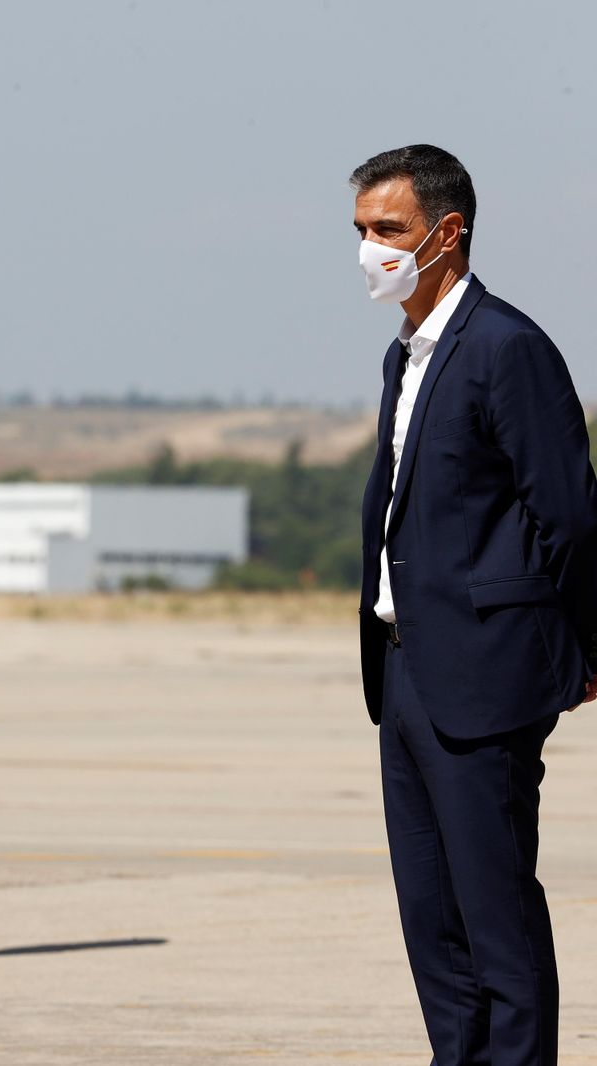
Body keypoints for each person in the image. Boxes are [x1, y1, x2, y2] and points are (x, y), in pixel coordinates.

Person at [352, 145, 597, 1065]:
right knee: (432, 918)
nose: (371, 250)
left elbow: (568, 516)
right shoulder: (406, 355)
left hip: (487, 672)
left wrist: (580, 649)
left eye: (390, 230)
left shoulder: (506, 347)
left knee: (495, 915)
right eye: (362, 231)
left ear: (447, 234)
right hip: (406, 667)